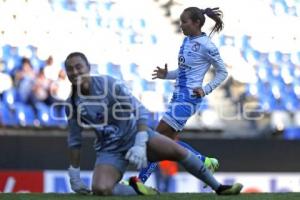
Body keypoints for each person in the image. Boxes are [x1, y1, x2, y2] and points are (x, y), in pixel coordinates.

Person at [64, 52, 242, 196]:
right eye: (70, 69)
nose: (75, 72)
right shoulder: (71, 103)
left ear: (88, 67)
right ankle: (135, 189)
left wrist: (141, 143)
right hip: (110, 150)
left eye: (79, 66)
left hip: (136, 137)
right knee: (100, 190)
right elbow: (75, 141)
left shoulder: (109, 85)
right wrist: (75, 175)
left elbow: (140, 111)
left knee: (179, 152)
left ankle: (219, 188)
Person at [139, 7, 228, 183]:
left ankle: (140, 181)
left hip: (188, 98)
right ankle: (204, 161)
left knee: (156, 140)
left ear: (197, 23)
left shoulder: (207, 45)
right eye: (180, 22)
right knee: (166, 142)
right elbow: (184, 71)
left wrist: (206, 88)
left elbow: (222, 72)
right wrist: (167, 75)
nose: (181, 25)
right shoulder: (187, 41)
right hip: (177, 95)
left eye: (184, 22)